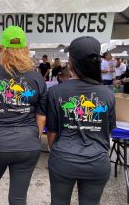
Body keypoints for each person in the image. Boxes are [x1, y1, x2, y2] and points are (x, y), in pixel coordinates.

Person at [0, 26, 47, 205]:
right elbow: (42, 116)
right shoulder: (37, 78)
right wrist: (32, 136)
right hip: (27, 143)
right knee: (19, 197)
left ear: (0, 48)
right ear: (26, 49)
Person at [47, 36, 116, 205]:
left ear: (71, 62)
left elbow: (52, 132)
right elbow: (109, 129)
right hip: (97, 161)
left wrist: (55, 152)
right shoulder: (108, 94)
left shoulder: (56, 92)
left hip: (63, 159)